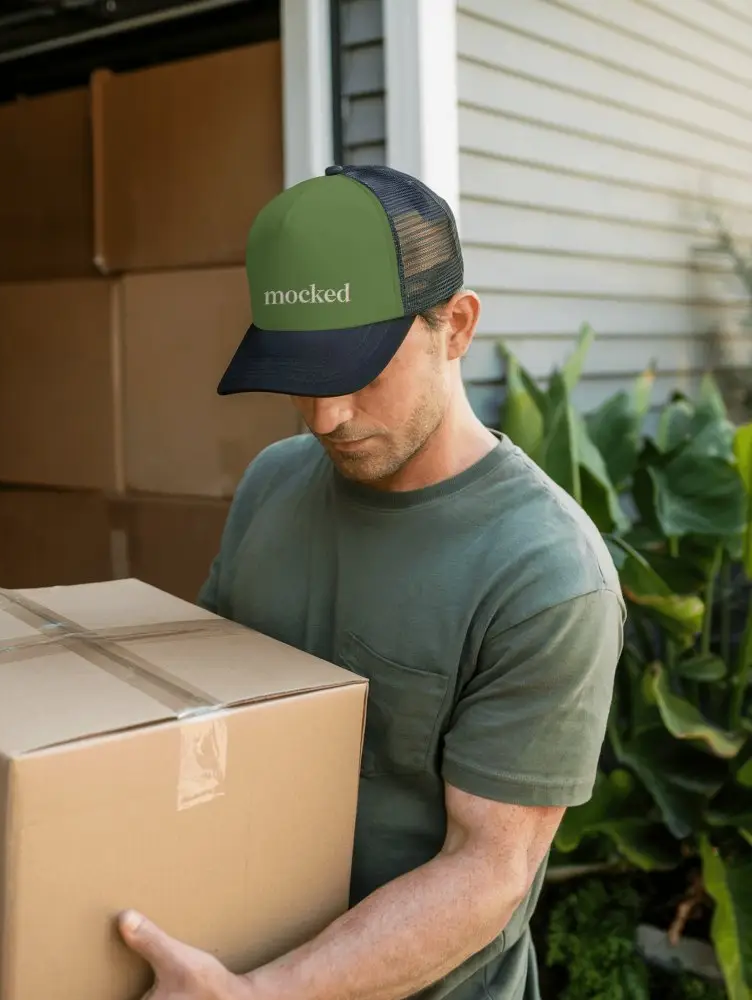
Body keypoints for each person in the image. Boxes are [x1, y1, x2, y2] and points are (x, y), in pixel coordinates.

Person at [116, 165, 625, 1000]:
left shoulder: (546, 573)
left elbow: (488, 872)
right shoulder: (273, 481)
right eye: (303, 374)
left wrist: (265, 995)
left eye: (361, 370)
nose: (326, 416)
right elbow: (203, 715)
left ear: (456, 326)